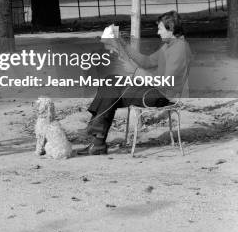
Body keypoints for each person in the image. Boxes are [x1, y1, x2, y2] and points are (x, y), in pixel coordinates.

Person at [77, 11, 192, 156]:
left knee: (112, 88)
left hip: (162, 95)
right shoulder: (170, 45)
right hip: (155, 89)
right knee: (111, 81)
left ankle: (97, 138)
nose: (158, 32)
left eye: (160, 28)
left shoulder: (179, 49)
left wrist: (135, 71)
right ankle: (97, 138)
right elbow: (146, 61)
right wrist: (122, 43)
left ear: (171, 28)